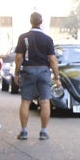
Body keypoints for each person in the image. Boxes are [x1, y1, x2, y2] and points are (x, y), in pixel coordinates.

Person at [13, 11, 59, 140]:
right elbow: (53, 60)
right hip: (44, 71)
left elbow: (18, 57)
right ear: (41, 22)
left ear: (30, 22)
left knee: (26, 101)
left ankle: (24, 131)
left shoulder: (23, 37)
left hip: (28, 70)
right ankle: (43, 132)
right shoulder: (47, 39)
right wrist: (57, 77)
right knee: (45, 101)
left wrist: (16, 73)